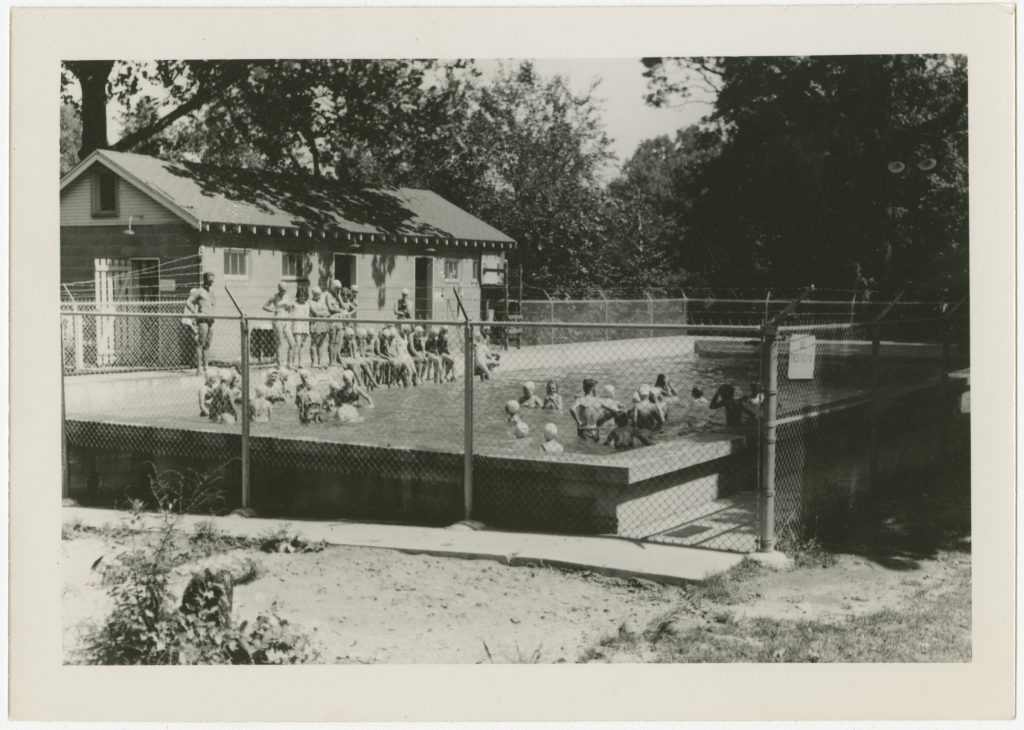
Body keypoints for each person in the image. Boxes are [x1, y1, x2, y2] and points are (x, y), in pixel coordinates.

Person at [184, 273, 216, 375]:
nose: (211, 283)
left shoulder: (211, 292)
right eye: (209, 281)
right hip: (203, 320)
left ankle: (206, 366)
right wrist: (196, 313)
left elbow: (212, 305)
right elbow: (188, 302)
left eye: (212, 281)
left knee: (208, 343)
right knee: (200, 343)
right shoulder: (199, 291)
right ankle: (199, 367)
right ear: (205, 280)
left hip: (211, 320)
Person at [263, 281, 295, 368]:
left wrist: (290, 307)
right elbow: (264, 306)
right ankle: (280, 364)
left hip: (286, 320)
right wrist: (273, 310)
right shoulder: (274, 297)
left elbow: (290, 309)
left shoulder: (287, 297)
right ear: (278, 289)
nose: (283, 292)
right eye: (281, 290)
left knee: (292, 342)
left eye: (284, 290)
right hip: (278, 320)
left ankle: (290, 363)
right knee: (280, 343)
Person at [308, 286, 331, 368]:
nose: (318, 296)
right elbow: (315, 313)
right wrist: (322, 313)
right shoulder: (310, 302)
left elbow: (328, 313)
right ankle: (314, 362)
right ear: (313, 294)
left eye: (319, 294)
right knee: (314, 344)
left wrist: (322, 313)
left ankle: (320, 362)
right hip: (315, 325)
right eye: (316, 294)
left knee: (321, 344)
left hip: (323, 325)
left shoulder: (322, 302)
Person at [325, 279, 346, 365]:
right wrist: (339, 310)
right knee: (332, 341)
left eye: (339, 289)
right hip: (332, 320)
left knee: (337, 341)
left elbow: (345, 307)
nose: (338, 291)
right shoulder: (328, 295)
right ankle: (331, 360)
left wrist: (339, 296)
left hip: (338, 321)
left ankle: (335, 359)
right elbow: (330, 308)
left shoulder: (336, 296)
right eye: (337, 289)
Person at [291, 287, 311, 369]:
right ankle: (295, 362)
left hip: (305, 325)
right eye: (300, 296)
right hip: (297, 325)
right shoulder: (294, 303)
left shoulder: (307, 304)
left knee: (302, 345)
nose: (302, 298)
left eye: (304, 296)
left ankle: (301, 362)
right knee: (297, 343)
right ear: (298, 296)